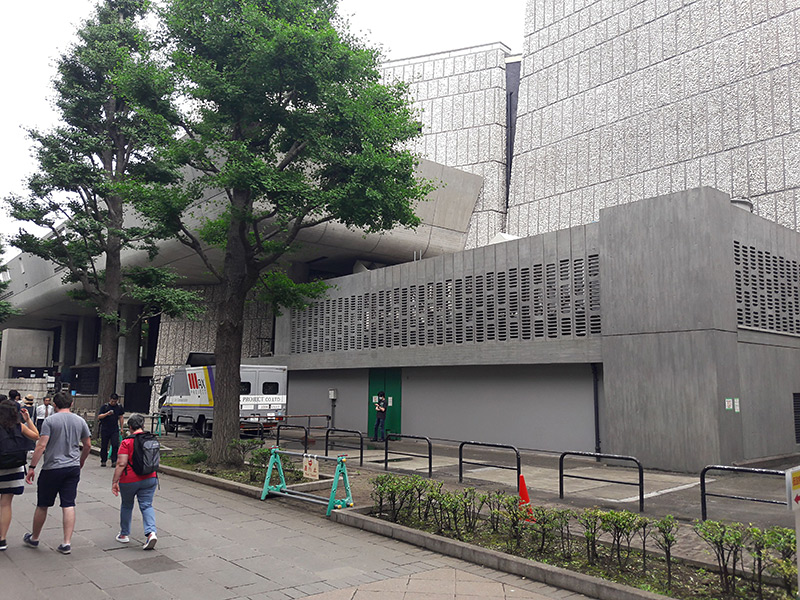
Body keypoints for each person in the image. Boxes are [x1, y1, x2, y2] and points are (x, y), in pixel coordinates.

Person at [23, 391, 91, 555]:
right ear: (72, 403)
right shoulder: (80, 421)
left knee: (43, 504)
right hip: (72, 467)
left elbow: (41, 445)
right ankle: (66, 542)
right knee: (68, 503)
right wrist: (81, 461)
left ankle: (35, 537)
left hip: (52, 467)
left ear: (54, 404)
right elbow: (87, 445)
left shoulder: (50, 421)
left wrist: (32, 467)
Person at [111, 414, 158, 550]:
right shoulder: (151, 439)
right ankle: (151, 533)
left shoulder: (127, 442)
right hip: (150, 478)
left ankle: (124, 534)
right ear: (143, 425)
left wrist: (115, 481)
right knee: (147, 505)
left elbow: (121, 463)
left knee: (127, 505)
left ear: (130, 427)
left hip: (129, 479)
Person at [0, 399, 39, 551]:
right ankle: (2, 539)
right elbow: (36, 436)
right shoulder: (19, 426)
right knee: (5, 504)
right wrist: (28, 420)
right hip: (14, 468)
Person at [98, 393, 124, 467]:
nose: (113, 403)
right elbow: (99, 416)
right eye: (112, 401)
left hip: (114, 429)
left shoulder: (119, 407)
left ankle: (114, 460)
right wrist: (107, 414)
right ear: (110, 399)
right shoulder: (105, 407)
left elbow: (121, 417)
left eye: (115, 401)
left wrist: (121, 428)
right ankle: (103, 460)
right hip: (105, 428)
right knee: (104, 445)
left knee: (115, 444)